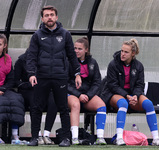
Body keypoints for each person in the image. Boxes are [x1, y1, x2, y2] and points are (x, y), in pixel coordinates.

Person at [26, 5, 81, 147]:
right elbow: (31, 57)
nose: (49, 17)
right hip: (42, 76)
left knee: (63, 108)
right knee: (36, 108)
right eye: (46, 15)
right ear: (42, 18)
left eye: (52, 15)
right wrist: (32, 74)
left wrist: (77, 74)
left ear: (56, 17)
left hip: (60, 76)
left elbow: (72, 56)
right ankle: (34, 138)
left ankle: (66, 139)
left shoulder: (65, 34)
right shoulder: (37, 35)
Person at [100, 38, 159, 146]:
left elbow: (140, 85)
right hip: (114, 94)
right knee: (123, 103)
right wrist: (127, 96)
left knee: (148, 104)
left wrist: (135, 96)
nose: (122, 54)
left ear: (133, 53)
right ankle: (119, 138)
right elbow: (112, 85)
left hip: (132, 96)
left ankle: (156, 139)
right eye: (122, 51)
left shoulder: (139, 66)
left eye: (126, 52)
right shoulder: (113, 64)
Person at [68, 37, 107, 145]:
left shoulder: (93, 63)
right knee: (75, 105)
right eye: (75, 48)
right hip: (72, 94)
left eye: (79, 49)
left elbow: (97, 83)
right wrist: (79, 95)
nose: (76, 51)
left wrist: (88, 96)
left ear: (86, 50)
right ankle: (75, 138)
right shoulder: (69, 61)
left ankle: (100, 137)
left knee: (101, 106)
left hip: (87, 96)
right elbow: (65, 83)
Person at [14, 50, 57, 145]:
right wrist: (29, 85)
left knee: (53, 101)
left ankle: (46, 134)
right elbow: (16, 81)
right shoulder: (21, 60)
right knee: (35, 101)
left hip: (44, 89)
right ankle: (36, 134)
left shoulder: (47, 60)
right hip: (28, 90)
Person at [0, 34, 25, 144]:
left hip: (4, 88)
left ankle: (15, 136)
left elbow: (11, 80)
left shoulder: (7, 59)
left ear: (5, 46)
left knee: (16, 99)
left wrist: (3, 89)